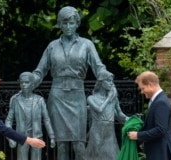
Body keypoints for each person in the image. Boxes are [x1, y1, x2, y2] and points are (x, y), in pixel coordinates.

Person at [32, 6, 114, 160]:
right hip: (57, 97)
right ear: (60, 25)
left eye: (71, 23)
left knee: (79, 144)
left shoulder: (87, 44)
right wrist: (31, 81)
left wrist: (106, 76)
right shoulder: (52, 46)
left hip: (77, 96)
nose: (68, 27)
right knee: (61, 146)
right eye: (64, 23)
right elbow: (40, 72)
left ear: (77, 24)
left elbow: (98, 68)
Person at [5, 72, 56, 160]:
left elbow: (46, 119)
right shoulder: (16, 101)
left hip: (37, 136)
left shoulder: (39, 100)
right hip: (21, 137)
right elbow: (8, 121)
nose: (24, 85)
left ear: (32, 84)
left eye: (27, 82)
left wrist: (52, 136)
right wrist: (10, 138)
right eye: (22, 82)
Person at [128, 71, 171, 160]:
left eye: (143, 88)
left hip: (161, 154)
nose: (142, 92)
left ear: (150, 85)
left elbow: (160, 129)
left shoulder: (160, 102)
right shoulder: (157, 100)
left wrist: (138, 135)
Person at [85, 72, 128, 160]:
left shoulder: (113, 98)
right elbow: (99, 110)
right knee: (96, 156)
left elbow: (119, 114)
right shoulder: (91, 98)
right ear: (101, 82)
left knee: (112, 156)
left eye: (111, 81)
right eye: (108, 81)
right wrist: (108, 98)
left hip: (109, 132)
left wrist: (130, 119)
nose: (111, 83)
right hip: (96, 131)